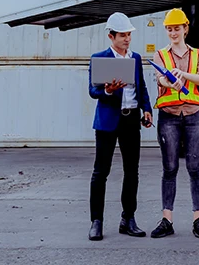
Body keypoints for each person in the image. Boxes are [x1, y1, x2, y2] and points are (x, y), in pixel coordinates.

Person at [88, 12, 153, 241]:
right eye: (123, 35)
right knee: (101, 172)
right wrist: (107, 90)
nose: (127, 39)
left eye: (129, 35)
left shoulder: (135, 58)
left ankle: (128, 219)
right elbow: (93, 90)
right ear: (111, 36)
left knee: (132, 171)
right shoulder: (100, 58)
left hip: (131, 119)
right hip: (107, 121)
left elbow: (141, 86)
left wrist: (146, 108)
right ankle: (96, 222)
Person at [150, 8, 199, 239]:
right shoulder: (160, 55)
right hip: (169, 116)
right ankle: (167, 220)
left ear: (185, 28)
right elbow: (160, 79)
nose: (173, 33)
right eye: (169, 29)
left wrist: (183, 76)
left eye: (176, 28)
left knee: (195, 168)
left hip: (194, 115)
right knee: (169, 168)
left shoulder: (197, 54)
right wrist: (170, 81)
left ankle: (198, 219)